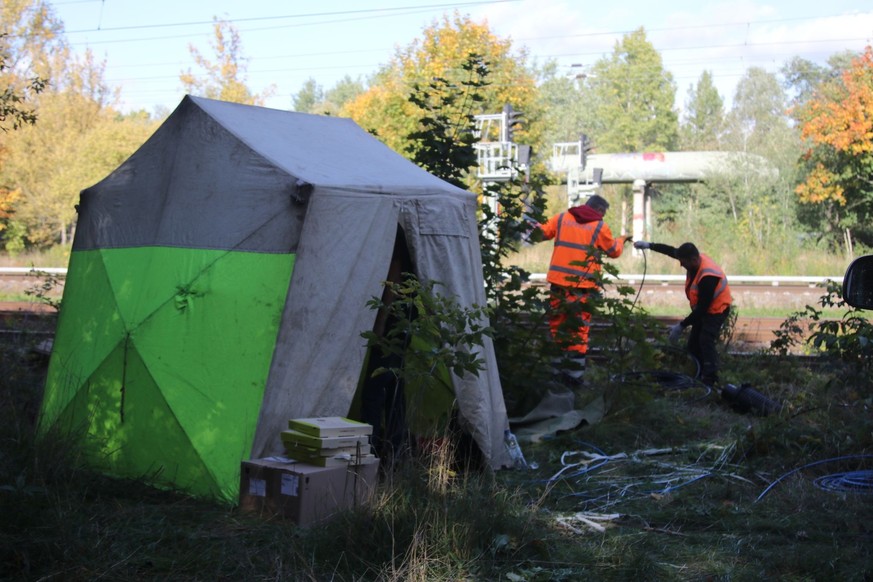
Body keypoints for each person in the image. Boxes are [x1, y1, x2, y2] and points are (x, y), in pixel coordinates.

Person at [532, 194, 629, 377]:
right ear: (599, 210)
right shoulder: (599, 226)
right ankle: (574, 377)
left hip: (559, 284)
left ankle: (555, 375)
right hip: (583, 287)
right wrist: (622, 239)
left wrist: (530, 223)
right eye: (603, 213)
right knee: (579, 330)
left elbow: (541, 233)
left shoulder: (562, 218)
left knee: (558, 326)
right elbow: (614, 251)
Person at [633, 240, 732, 387]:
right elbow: (670, 250)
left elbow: (702, 309)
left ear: (693, 259)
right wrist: (649, 245)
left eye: (683, 262)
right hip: (702, 310)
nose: (681, 265)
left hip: (716, 310)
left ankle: (711, 379)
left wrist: (681, 325)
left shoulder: (708, 276)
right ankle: (699, 374)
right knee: (693, 345)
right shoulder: (692, 259)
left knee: (705, 339)